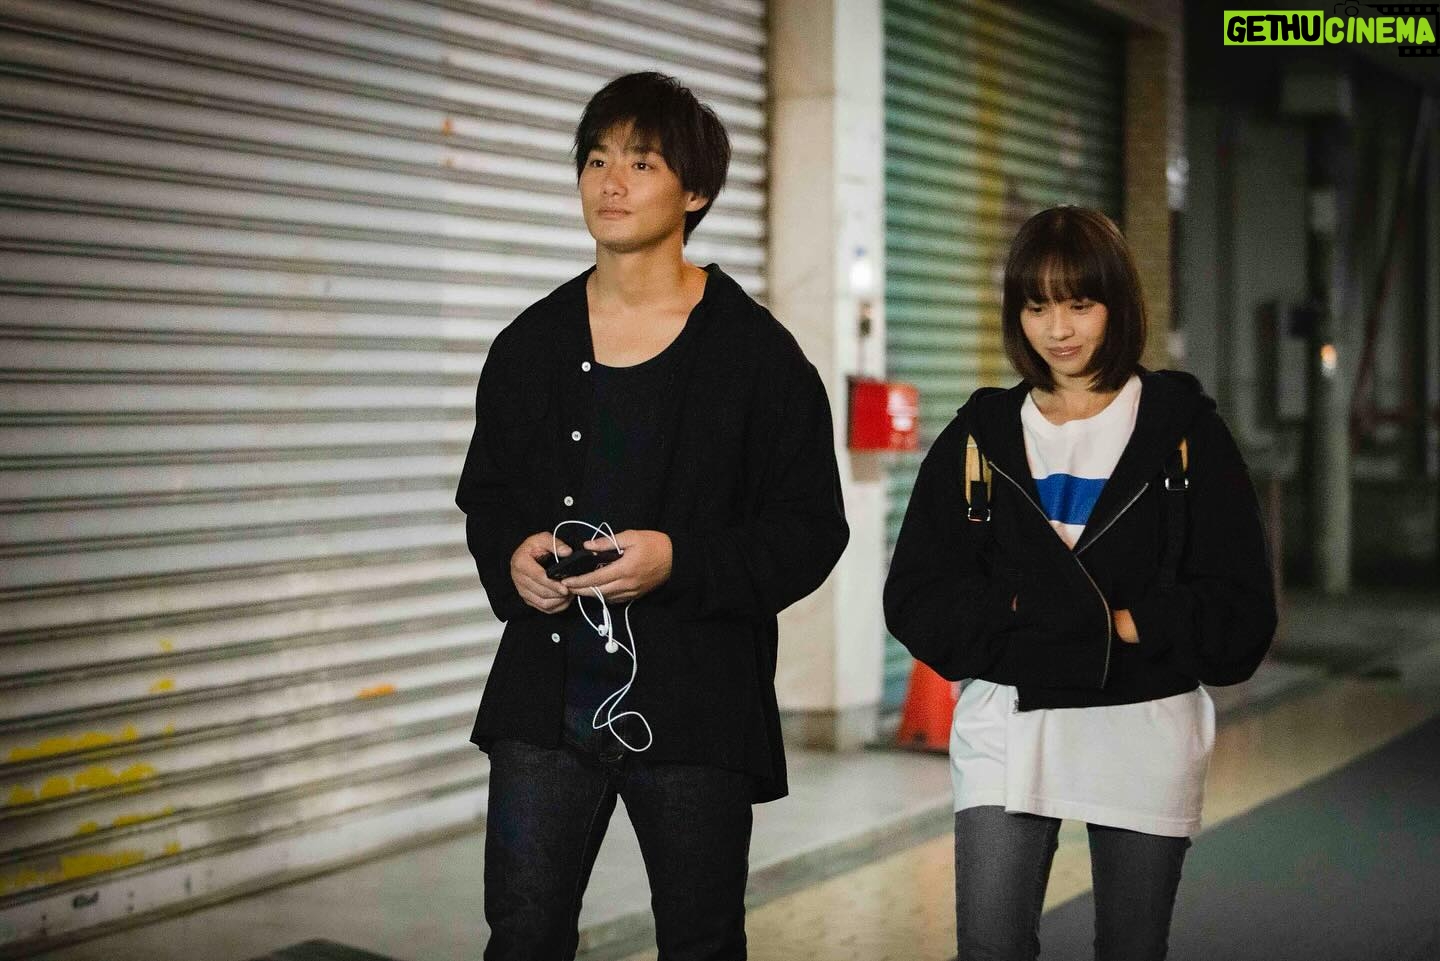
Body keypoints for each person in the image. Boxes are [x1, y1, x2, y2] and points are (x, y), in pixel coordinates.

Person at [455, 71, 848, 961]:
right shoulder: (529, 345)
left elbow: (810, 529)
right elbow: (489, 493)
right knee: (521, 934)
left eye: (641, 162)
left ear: (695, 191)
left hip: (698, 704)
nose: (611, 183)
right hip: (546, 701)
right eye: (596, 160)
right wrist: (511, 552)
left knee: (700, 940)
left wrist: (682, 561)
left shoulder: (757, 357)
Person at [884, 206, 1276, 961]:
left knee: (1130, 948)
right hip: (1008, 725)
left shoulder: (1185, 434)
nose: (1057, 329)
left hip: (1145, 725)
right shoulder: (981, 435)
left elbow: (1241, 609)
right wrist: (1024, 618)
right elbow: (917, 595)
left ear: (1117, 304)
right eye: (1036, 307)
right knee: (990, 947)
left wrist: (1126, 624)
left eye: (1078, 304)